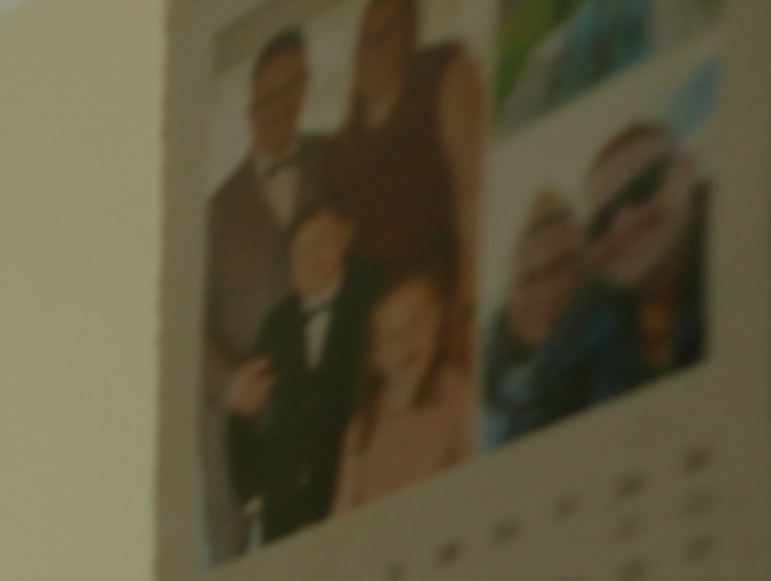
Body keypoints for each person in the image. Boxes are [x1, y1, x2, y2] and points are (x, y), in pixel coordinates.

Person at [199, 24, 333, 560]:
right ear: (250, 106)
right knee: (230, 564)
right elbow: (185, 325)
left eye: (292, 87)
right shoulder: (216, 210)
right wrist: (231, 384)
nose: (281, 105)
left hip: (316, 403)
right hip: (234, 421)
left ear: (306, 86)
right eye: (269, 94)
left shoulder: (329, 157)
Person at [331, 0, 489, 320]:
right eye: (366, 38)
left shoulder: (444, 74)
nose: (374, 46)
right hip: (382, 324)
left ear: (410, 37)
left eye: (388, 30)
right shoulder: (341, 146)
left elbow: (474, 189)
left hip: (443, 298)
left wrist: (466, 303)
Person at [229, 202, 373, 545]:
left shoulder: (372, 293)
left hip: (354, 490)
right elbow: (244, 411)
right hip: (285, 509)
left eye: (320, 242)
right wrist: (255, 497)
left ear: (344, 237)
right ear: (291, 271)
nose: (312, 257)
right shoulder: (276, 324)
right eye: (300, 253)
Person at [580, 118, 710, 396]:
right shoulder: (598, 350)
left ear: (687, 172)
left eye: (643, 187)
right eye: (602, 222)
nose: (624, 224)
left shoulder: (745, 273)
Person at [484, 190, 627, 441]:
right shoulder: (488, 393)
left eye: (560, 268)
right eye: (530, 279)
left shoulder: (616, 353)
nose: (545, 292)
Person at [342, 268, 478, 504]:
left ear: (437, 319)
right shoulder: (364, 423)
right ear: (374, 358)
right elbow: (342, 507)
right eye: (391, 336)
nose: (406, 340)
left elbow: (480, 473)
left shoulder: (457, 392)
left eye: (416, 321)